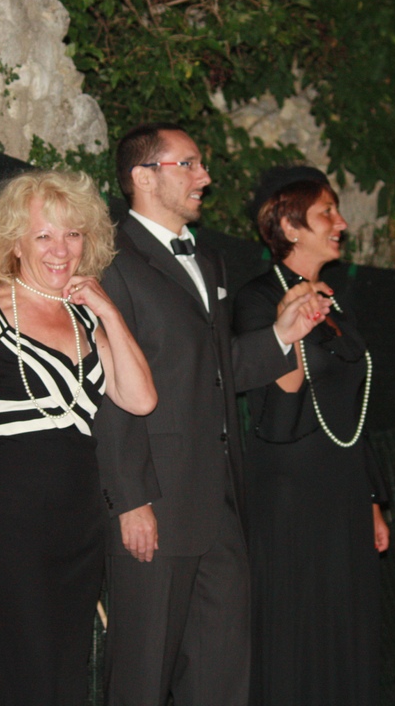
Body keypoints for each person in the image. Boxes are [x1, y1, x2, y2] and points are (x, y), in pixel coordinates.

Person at [0, 169, 157, 706]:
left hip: (81, 519)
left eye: (73, 234)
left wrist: (108, 311)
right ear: (15, 243)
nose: (61, 250)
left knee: (66, 671)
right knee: (27, 670)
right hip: (14, 518)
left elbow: (140, 398)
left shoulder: (86, 318)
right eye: (44, 235)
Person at [93, 123, 330, 706]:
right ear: (144, 177)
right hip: (154, 504)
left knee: (222, 676)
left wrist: (281, 334)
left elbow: (216, 370)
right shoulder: (111, 260)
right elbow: (108, 388)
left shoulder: (210, 261)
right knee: (142, 679)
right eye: (189, 164)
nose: (205, 176)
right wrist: (129, 499)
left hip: (218, 505)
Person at [233, 165, 391, 706]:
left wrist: (371, 498)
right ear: (289, 226)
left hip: (344, 488)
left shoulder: (336, 301)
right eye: (327, 213)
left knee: (347, 629)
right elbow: (277, 419)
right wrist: (291, 328)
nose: (341, 223)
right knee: (296, 632)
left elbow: (354, 411)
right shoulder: (258, 299)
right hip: (291, 493)